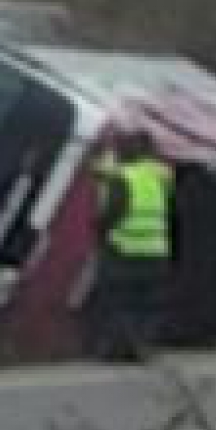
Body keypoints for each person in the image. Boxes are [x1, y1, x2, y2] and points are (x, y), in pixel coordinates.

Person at [88, 131, 175, 362]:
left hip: (124, 248)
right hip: (156, 250)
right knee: (150, 303)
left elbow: (112, 212)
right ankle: (143, 345)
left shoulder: (123, 178)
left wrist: (99, 229)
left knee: (121, 302)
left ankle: (122, 348)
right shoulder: (162, 176)